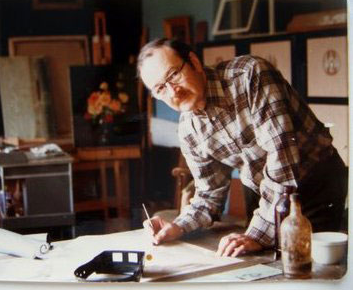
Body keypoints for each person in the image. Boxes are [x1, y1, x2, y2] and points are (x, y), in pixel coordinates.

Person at [137, 38, 348, 257]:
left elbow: (282, 160)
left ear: (194, 62)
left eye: (173, 75)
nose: (173, 92)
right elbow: (209, 194)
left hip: (314, 182)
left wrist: (257, 235)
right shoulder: (189, 131)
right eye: (160, 88)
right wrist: (178, 226)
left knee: (304, 264)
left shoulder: (250, 75)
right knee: (257, 264)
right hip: (264, 193)